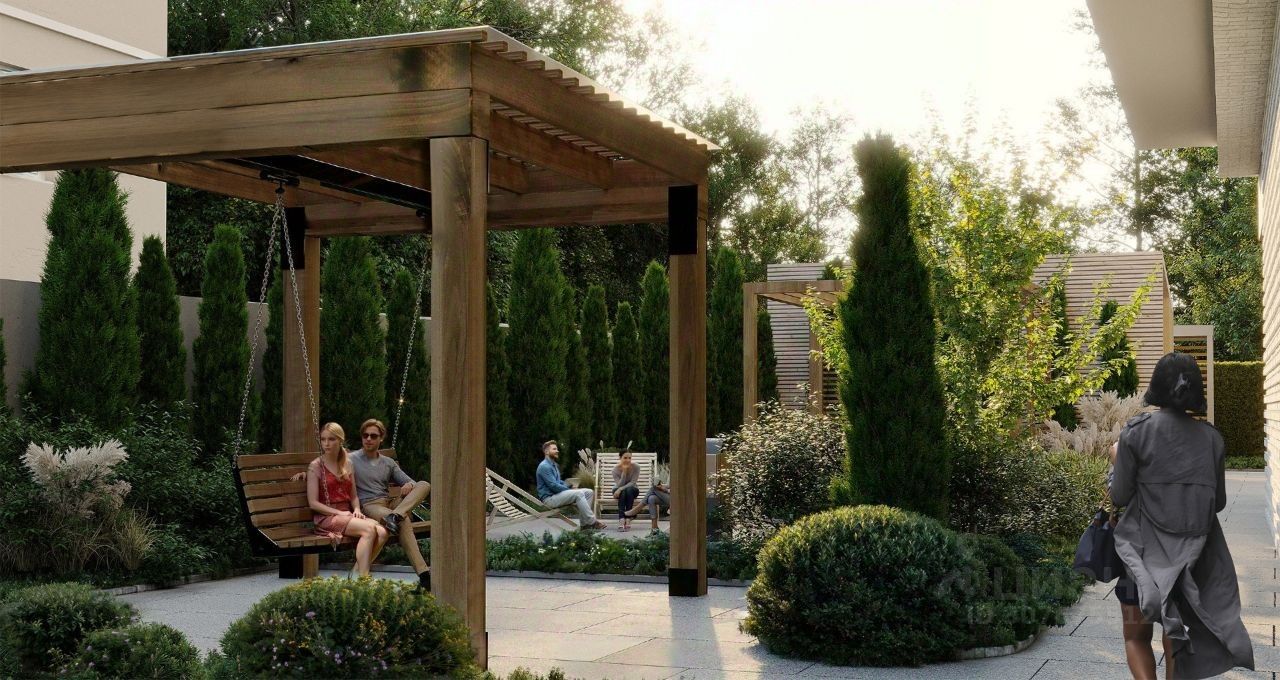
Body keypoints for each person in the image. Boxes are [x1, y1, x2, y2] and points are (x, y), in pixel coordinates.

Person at [1111, 352, 1253, 679]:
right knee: (1176, 635)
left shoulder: (1136, 433)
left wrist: (1117, 459)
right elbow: (1217, 503)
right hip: (1190, 565)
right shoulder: (1212, 439)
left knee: (1135, 637)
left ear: (1156, 387)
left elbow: (1120, 496)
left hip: (1141, 558)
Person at [349, 419, 432, 591]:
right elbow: (326, 466)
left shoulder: (388, 462)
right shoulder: (352, 459)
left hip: (391, 504)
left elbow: (411, 482)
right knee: (403, 521)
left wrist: (409, 485)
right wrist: (306, 473)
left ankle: (395, 515)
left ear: (381, 438)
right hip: (370, 505)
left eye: (373, 436)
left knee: (424, 485)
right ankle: (424, 575)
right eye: (365, 435)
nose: (368, 439)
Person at [306, 422, 389, 577]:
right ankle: (363, 578)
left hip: (347, 515)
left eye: (331, 439)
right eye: (323, 439)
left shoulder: (347, 464)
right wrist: (339, 513)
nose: (326, 443)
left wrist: (356, 509)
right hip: (327, 517)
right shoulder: (315, 466)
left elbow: (353, 496)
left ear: (340, 440)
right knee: (369, 529)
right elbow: (313, 503)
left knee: (383, 532)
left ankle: (356, 572)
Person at [536, 441, 605, 530]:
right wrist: (569, 489)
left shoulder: (553, 465)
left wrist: (570, 486)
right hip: (549, 499)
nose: (557, 451)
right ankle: (592, 522)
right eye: (554, 449)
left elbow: (558, 482)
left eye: (557, 449)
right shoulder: (544, 466)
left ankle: (584, 524)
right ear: (546, 452)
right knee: (578, 494)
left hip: (556, 496)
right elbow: (553, 486)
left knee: (589, 492)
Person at [612, 450, 641, 531]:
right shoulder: (615, 470)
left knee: (628, 490)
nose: (628, 460)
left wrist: (620, 489)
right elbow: (619, 485)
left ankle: (626, 518)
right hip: (618, 490)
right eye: (625, 458)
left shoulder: (636, 467)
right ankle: (624, 519)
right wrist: (624, 472)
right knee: (624, 492)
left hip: (632, 490)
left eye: (629, 458)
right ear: (620, 458)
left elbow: (633, 482)